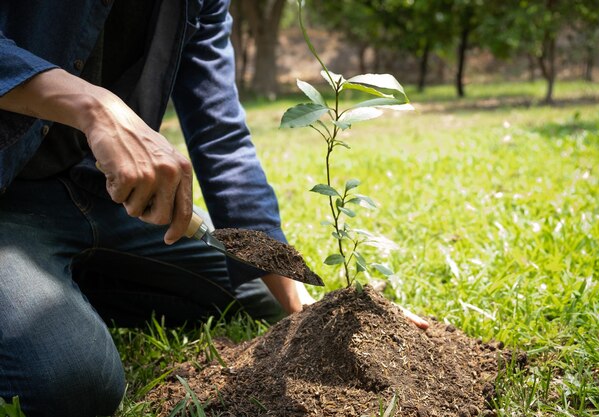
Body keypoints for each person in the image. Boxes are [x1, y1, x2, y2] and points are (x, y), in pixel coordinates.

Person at [0, 1, 426, 416]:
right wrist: (95, 107)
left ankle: (65, 281)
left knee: (260, 294)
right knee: (73, 383)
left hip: (107, 199)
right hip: (9, 202)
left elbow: (220, 135)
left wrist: (309, 311)